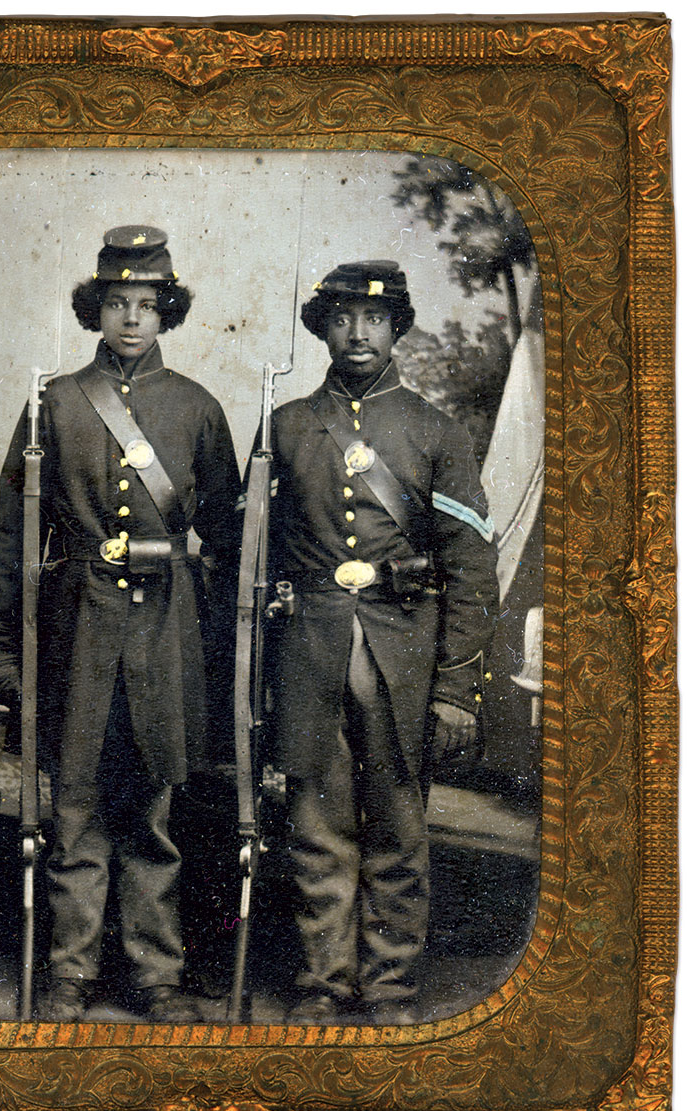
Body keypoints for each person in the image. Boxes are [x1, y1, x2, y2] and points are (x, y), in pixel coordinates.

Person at [0, 226, 240, 1023]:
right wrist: (1, 646)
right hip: (80, 629)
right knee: (77, 809)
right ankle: (69, 973)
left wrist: (222, 658)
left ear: (168, 313)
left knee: (156, 814)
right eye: (117, 304)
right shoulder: (53, 404)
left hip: (167, 629)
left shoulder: (198, 408)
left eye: (147, 305)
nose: (132, 319)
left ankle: (157, 977)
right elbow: (14, 538)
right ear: (96, 310)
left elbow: (228, 545)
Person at [264, 260, 499, 1025]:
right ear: (322, 328)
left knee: (400, 827)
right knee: (316, 829)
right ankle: (325, 981)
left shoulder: (436, 431)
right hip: (312, 650)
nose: (357, 332)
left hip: (405, 656)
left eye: (373, 319)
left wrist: (457, 688)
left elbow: (471, 569)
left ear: (397, 327)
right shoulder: (289, 426)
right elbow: (254, 557)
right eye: (341, 318)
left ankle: (391, 983)